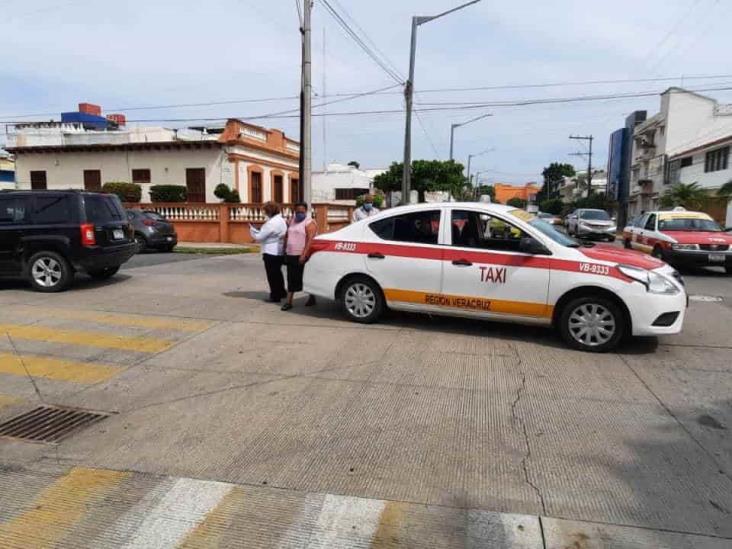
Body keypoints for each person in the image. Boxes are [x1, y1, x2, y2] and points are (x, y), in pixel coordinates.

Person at [281, 201, 317, 311]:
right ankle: (289, 301)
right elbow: (287, 236)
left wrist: (304, 254)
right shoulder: (291, 221)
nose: (299, 213)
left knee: (305, 277)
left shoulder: (309, 223)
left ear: (306, 211)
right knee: (291, 278)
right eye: (297, 212)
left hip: (302, 254)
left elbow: (310, 240)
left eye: (301, 211)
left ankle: (312, 296)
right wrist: (284, 248)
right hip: (291, 253)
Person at [250, 202, 287, 302]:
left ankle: (275, 295)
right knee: (278, 273)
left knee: (272, 275)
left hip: (270, 251)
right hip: (279, 250)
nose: (264, 213)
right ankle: (282, 292)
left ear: (269, 211)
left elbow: (259, 237)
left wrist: (252, 230)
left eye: (265, 211)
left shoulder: (271, 223)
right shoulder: (281, 220)